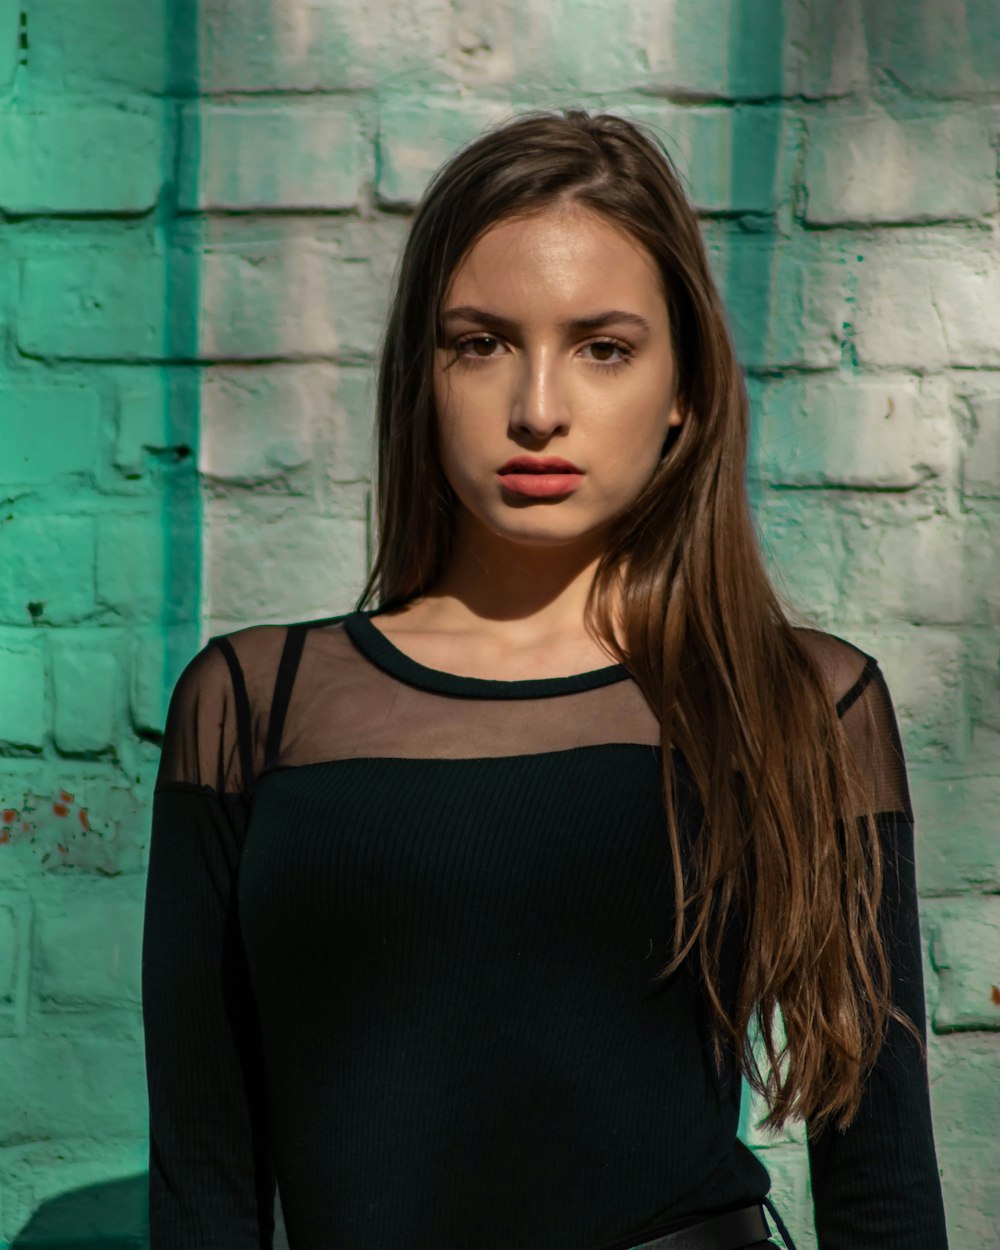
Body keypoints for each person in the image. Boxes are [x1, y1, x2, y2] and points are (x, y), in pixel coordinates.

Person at [141, 110, 949, 1250]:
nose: (536, 408)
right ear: (421, 374)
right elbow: (202, 1189)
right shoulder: (251, 704)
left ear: (684, 388)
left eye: (602, 347)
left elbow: (881, 1188)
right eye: (480, 342)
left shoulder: (800, 702)